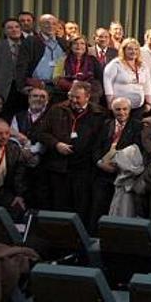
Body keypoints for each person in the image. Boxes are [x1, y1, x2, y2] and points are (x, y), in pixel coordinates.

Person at [37, 81, 106, 217]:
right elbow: (41, 133)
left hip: (84, 169)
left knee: (81, 206)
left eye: (77, 97)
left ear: (87, 97)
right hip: (59, 167)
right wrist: (56, 144)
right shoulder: (56, 109)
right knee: (59, 206)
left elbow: (101, 141)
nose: (73, 100)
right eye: (71, 96)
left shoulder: (99, 114)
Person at [90, 97, 142, 230]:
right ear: (112, 110)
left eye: (125, 109)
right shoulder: (106, 124)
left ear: (130, 110)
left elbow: (138, 151)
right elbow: (95, 147)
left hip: (123, 176)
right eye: (118, 109)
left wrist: (119, 165)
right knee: (98, 209)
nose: (121, 112)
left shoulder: (137, 126)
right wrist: (99, 163)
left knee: (120, 212)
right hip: (102, 174)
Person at [16, 14, 69, 101]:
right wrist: (22, 86)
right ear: (40, 25)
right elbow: (22, 65)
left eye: (54, 24)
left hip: (59, 88)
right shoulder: (31, 41)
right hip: (38, 86)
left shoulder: (63, 43)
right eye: (47, 23)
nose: (50, 26)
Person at [103, 38, 151, 119]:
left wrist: (149, 103)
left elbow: (147, 85)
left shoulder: (143, 65)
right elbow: (107, 83)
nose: (133, 51)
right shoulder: (115, 64)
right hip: (120, 109)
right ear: (123, 50)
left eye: (136, 49)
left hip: (138, 108)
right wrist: (110, 103)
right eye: (130, 49)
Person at [55, 36, 103, 104]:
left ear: (86, 47)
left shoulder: (93, 60)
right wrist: (72, 86)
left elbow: (99, 79)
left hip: (89, 96)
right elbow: (57, 78)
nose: (79, 46)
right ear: (70, 46)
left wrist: (83, 88)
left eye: (82, 43)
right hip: (66, 94)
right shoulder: (63, 60)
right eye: (75, 43)